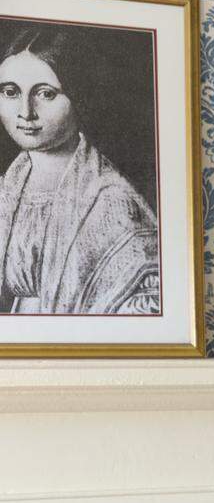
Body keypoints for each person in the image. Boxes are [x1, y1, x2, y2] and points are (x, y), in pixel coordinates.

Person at [0, 26, 158, 314]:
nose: (26, 111)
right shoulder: (6, 190)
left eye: (46, 94)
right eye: (10, 92)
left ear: (79, 96)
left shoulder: (112, 201)